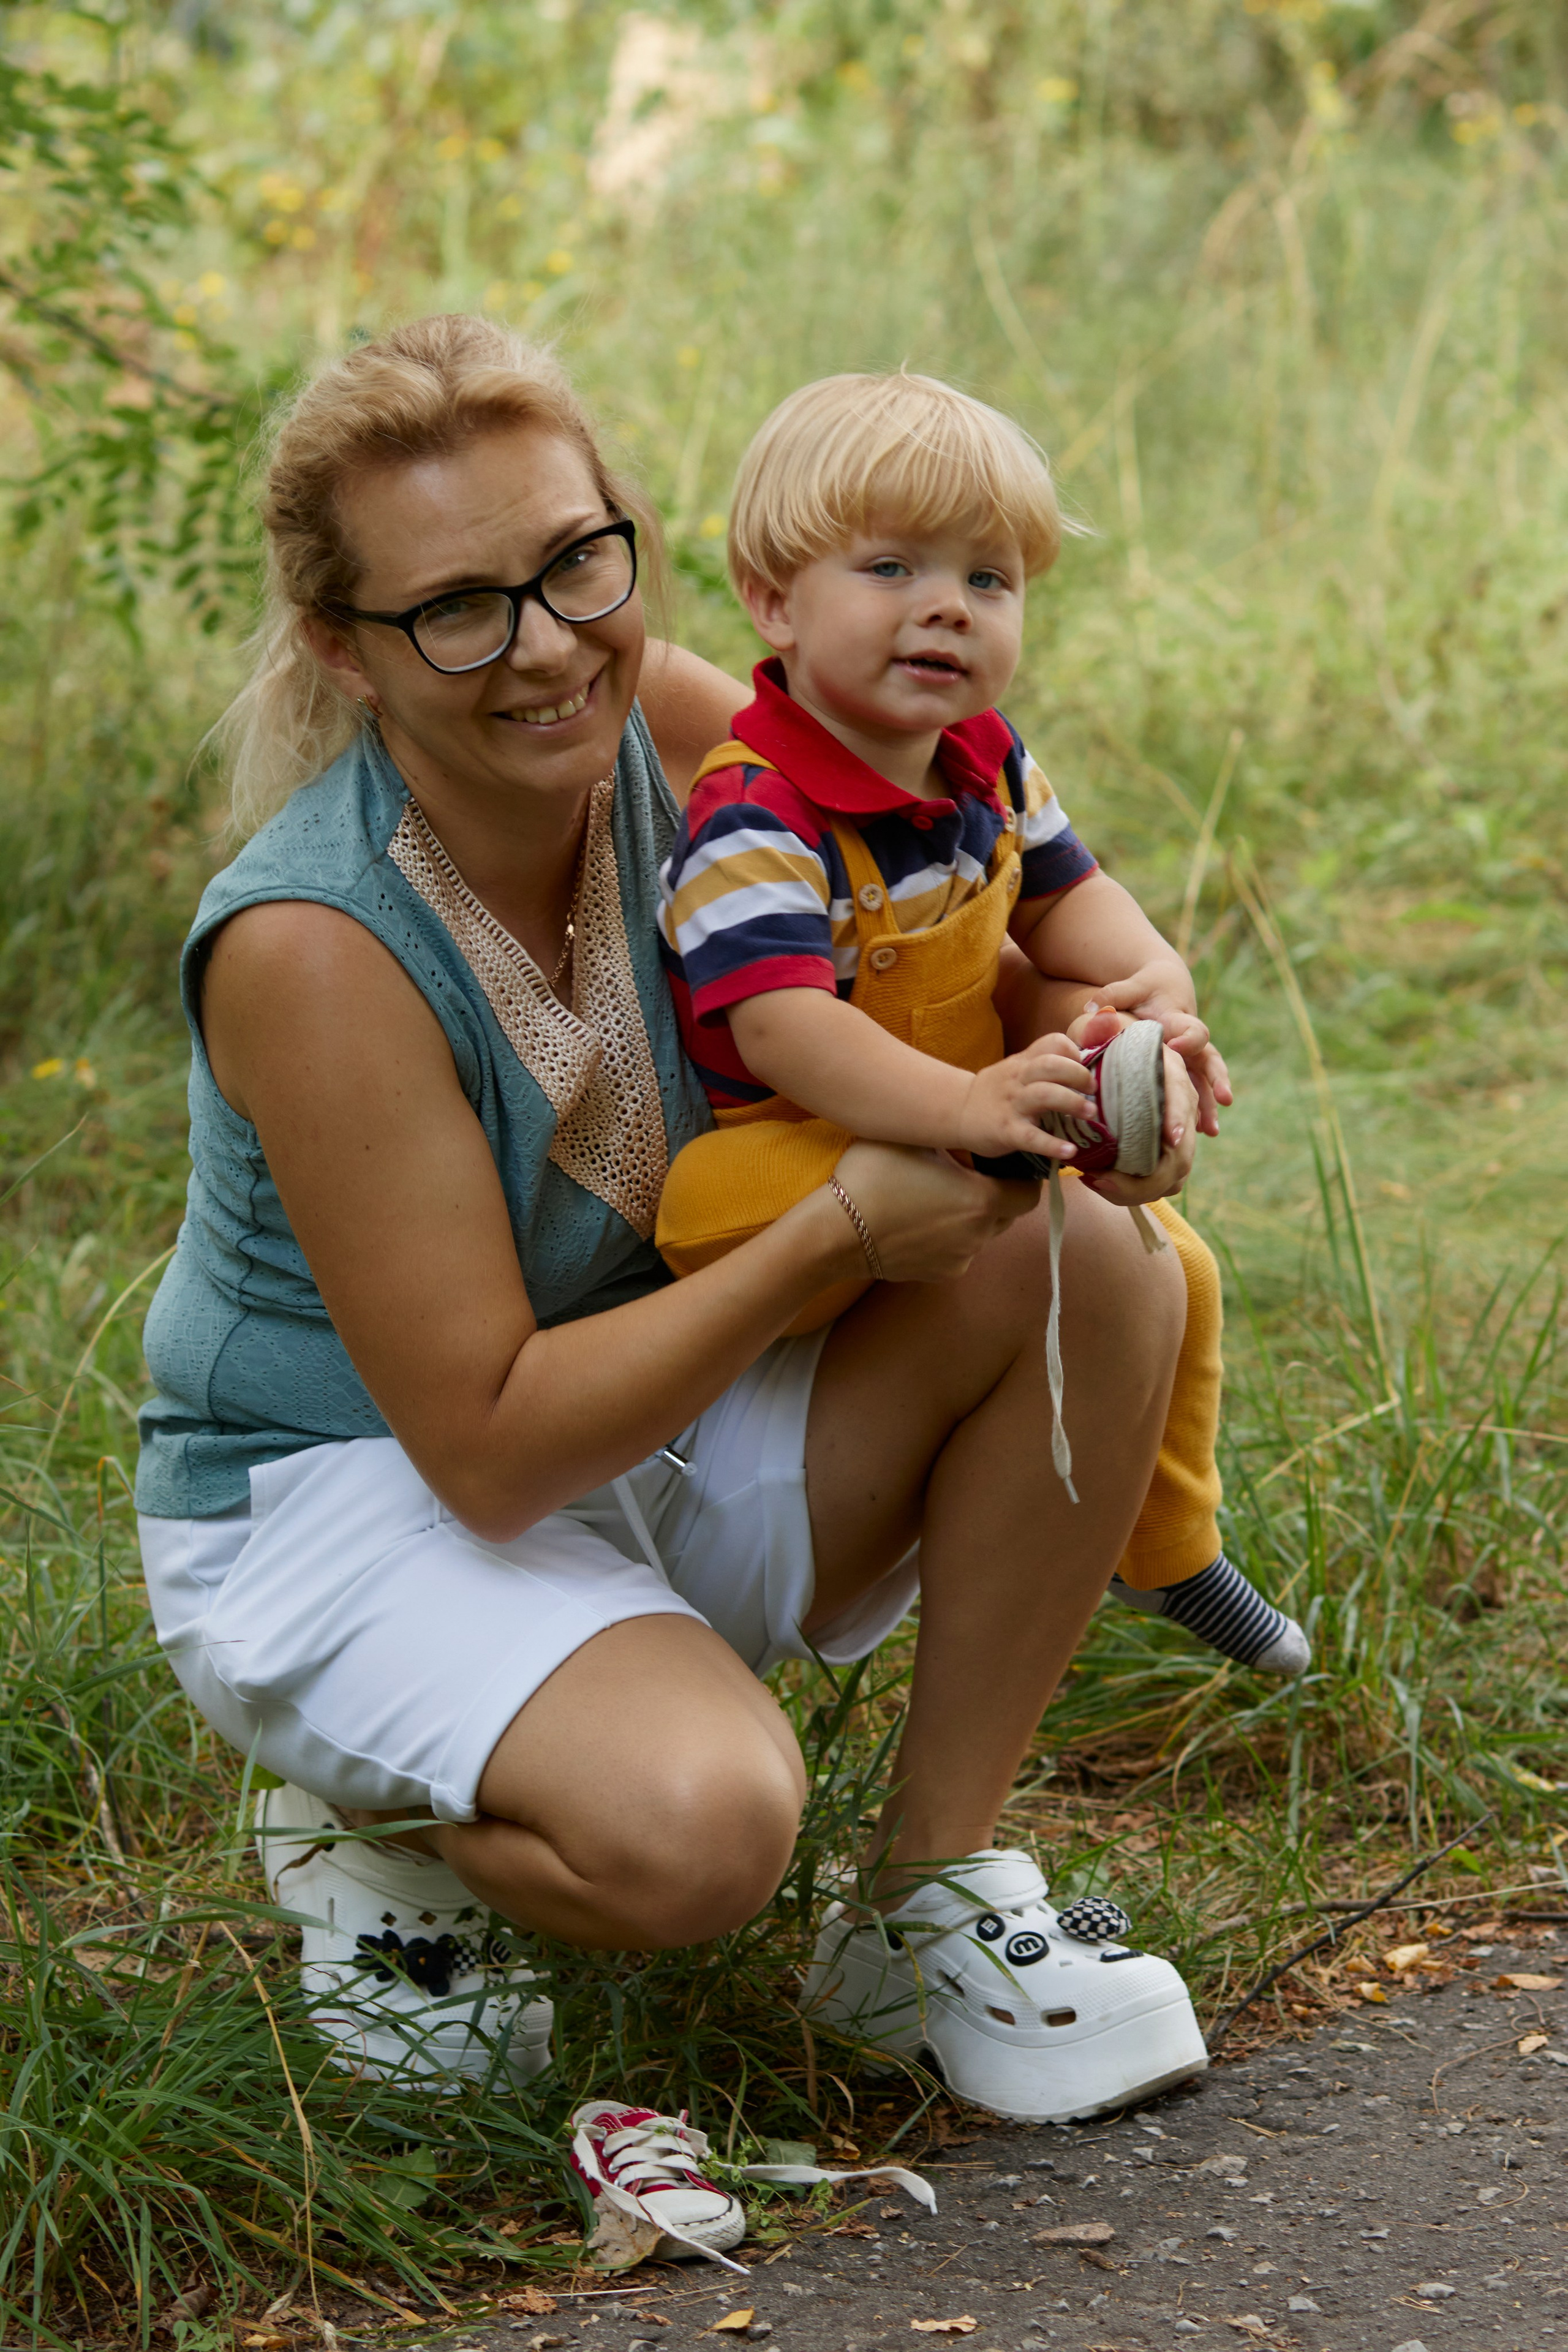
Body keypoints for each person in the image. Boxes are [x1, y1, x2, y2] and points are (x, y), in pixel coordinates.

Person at [135, 316, 1205, 2262]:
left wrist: (1112, 1040)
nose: (544, 644)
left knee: (1102, 1268)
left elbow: (982, 914)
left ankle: (926, 1908)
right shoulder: (315, 944)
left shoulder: (673, 722)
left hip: (643, 1384)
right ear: (344, 650)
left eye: (574, 562)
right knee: (705, 1833)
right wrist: (832, 1237)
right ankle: (376, 1826)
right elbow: (480, 1448)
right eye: (456, 608)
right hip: (362, 1488)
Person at [656, 372, 1306, 1676]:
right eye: (889, 567)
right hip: (776, 1151)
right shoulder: (755, 811)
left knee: (1169, 1263)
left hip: (961, 1109)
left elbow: (1078, 907)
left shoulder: (989, 767)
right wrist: (968, 1112)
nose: (945, 605)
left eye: (988, 578)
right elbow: (784, 1029)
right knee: (903, 1196)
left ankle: (1168, 1549)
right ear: (773, 600)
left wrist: (1152, 998)